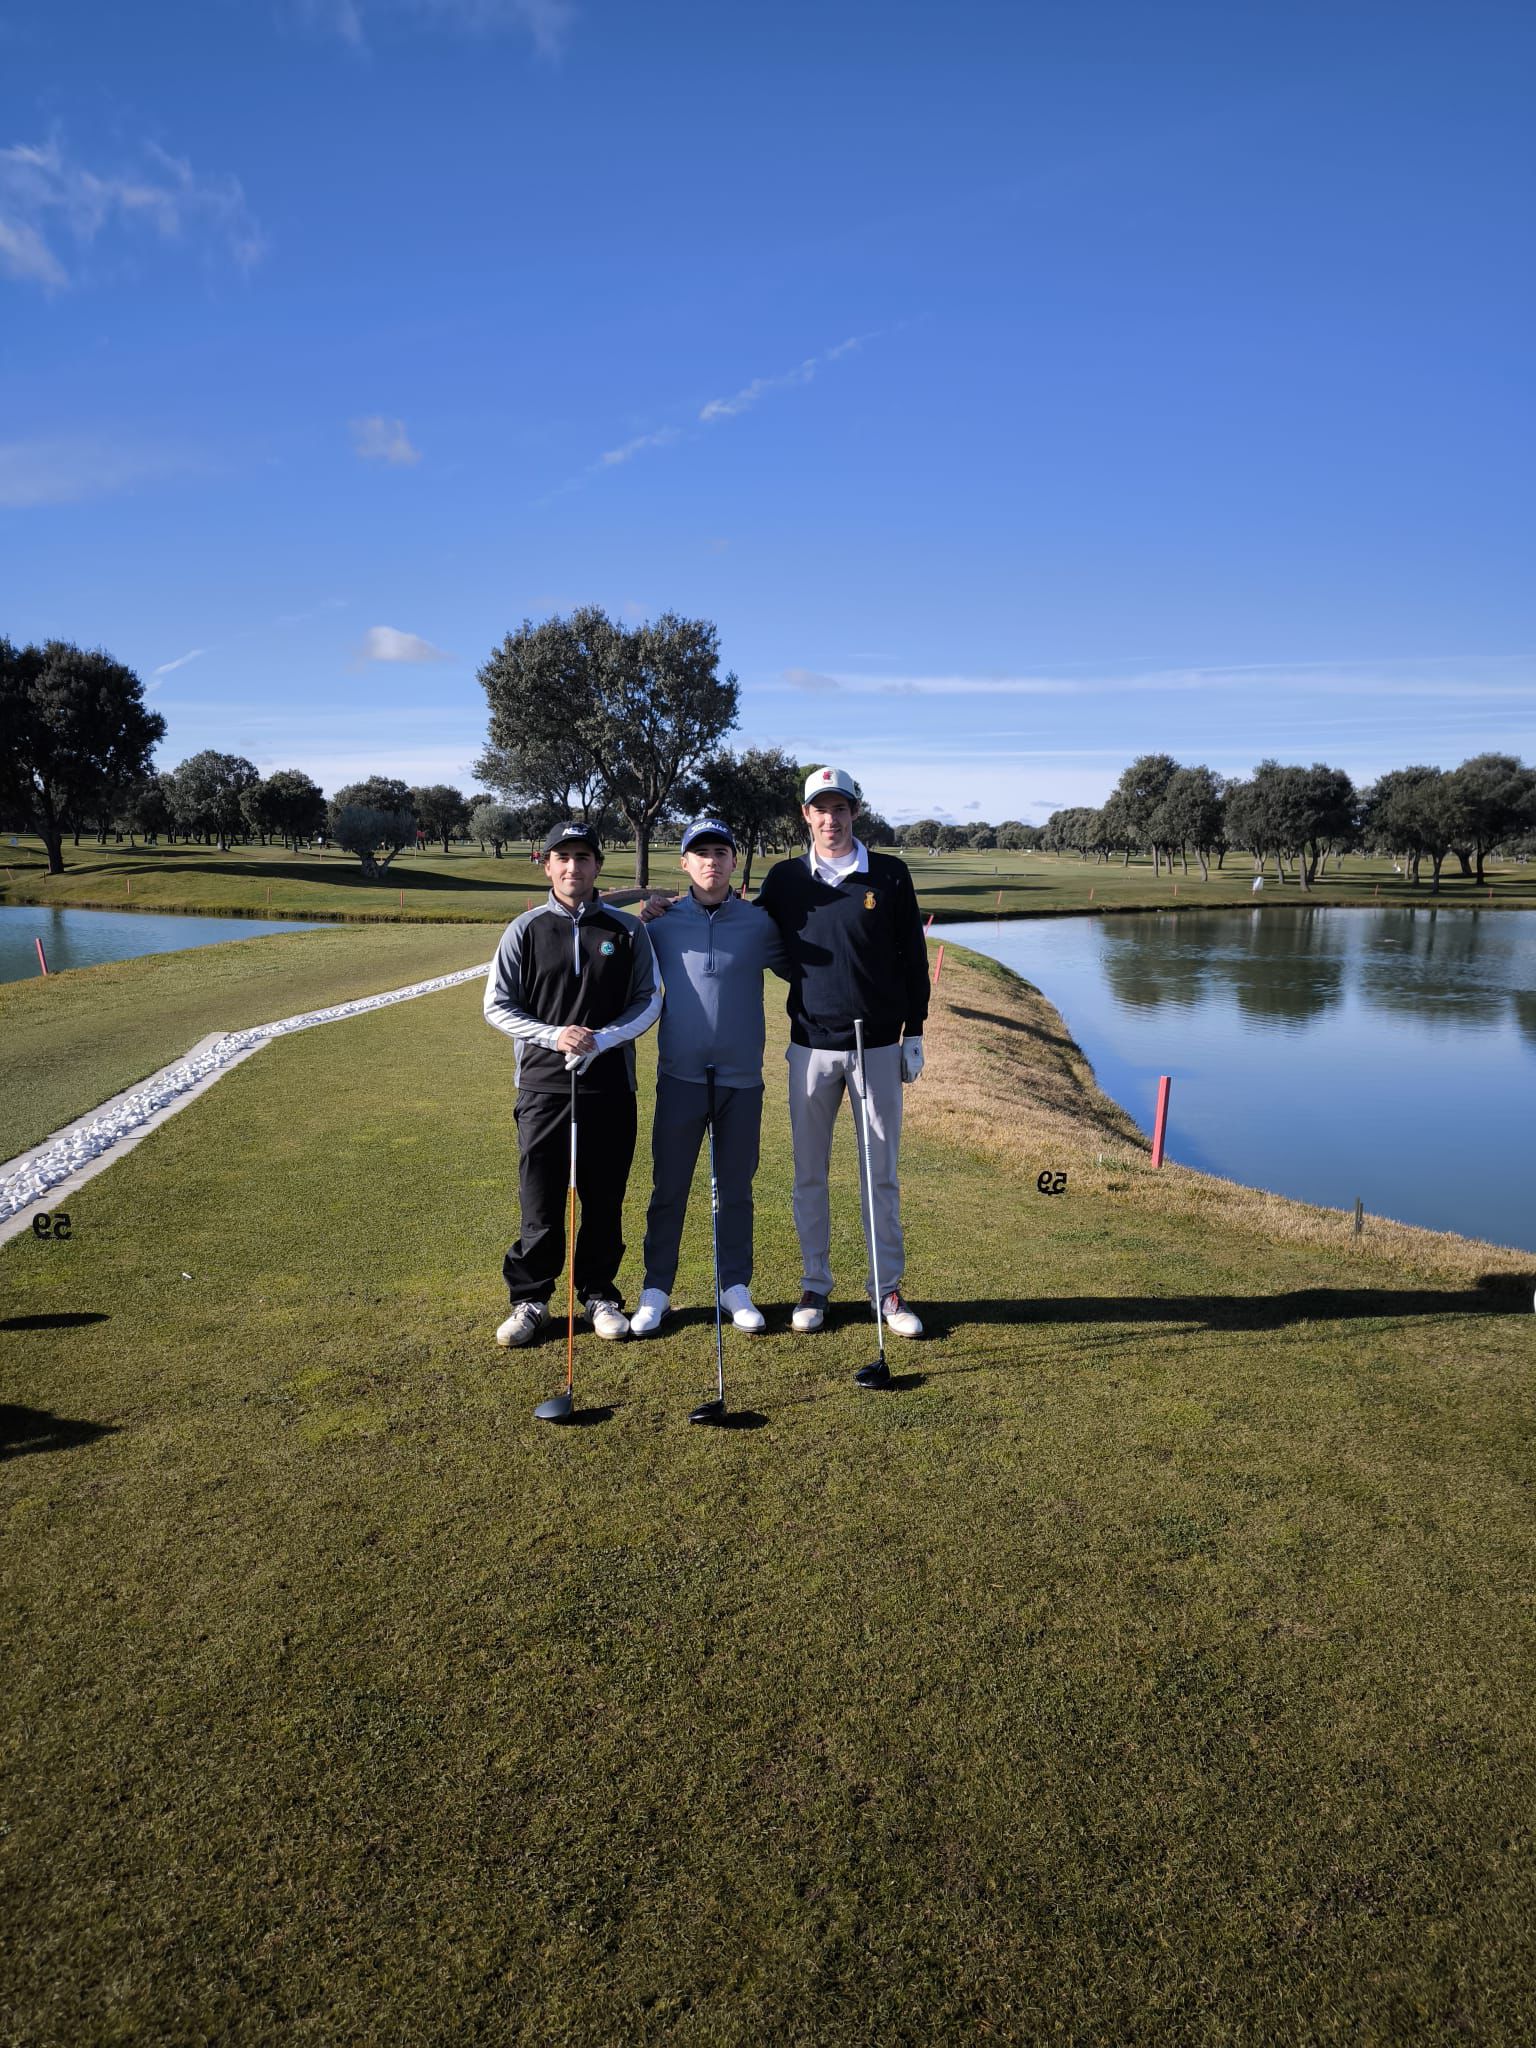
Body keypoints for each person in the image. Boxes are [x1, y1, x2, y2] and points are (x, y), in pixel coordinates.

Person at [754, 767, 930, 1368]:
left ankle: (886, 1289)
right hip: (811, 1045)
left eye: (840, 808)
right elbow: (753, 933)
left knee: (880, 1173)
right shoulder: (785, 878)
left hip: (877, 1045)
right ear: (806, 815)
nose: (831, 818)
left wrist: (915, 1030)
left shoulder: (890, 873)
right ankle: (815, 1285)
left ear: (856, 811)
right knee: (810, 1172)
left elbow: (912, 954)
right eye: (820, 808)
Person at [484, 821, 660, 1347]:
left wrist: (599, 1041)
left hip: (609, 1086)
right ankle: (531, 1299)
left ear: (597, 866)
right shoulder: (525, 929)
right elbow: (497, 1005)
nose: (572, 867)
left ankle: (600, 1294)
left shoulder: (627, 931)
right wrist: (556, 1035)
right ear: (547, 865)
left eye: (583, 857)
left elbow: (649, 999)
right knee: (540, 1199)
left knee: (603, 1199)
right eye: (562, 857)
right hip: (543, 1086)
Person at [630, 817, 788, 1338]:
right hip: (680, 1076)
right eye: (701, 853)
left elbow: (805, 967)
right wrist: (642, 913)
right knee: (669, 1186)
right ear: (684, 863)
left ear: (733, 861)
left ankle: (734, 1285)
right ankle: (656, 1289)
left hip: (742, 1080)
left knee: (735, 1188)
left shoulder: (759, 924)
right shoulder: (660, 925)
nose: (711, 861)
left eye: (721, 852)